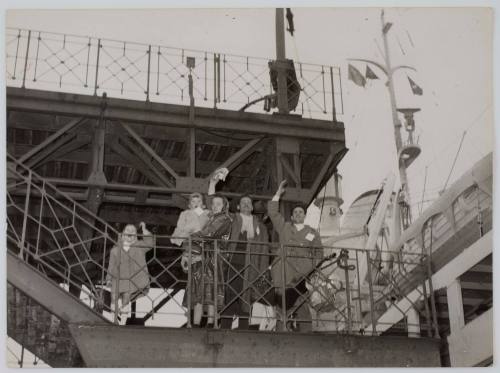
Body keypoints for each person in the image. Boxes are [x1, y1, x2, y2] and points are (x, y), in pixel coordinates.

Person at [267, 180, 323, 331]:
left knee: (301, 304)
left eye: (301, 212)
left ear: (304, 215)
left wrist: (311, 268)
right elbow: (273, 213)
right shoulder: (284, 227)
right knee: (281, 304)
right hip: (283, 273)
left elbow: (319, 253)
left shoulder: (312, 232)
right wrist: (278, 194)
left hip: (302, 274)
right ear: (291, 217)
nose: (298, 214)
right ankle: (280, 333)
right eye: (295, 212)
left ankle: (306, 334)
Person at [184, 169, 233, 328]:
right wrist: (213, 182)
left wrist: (190, 239)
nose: (215, 206)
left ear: (224, 206)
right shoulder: (213, 217)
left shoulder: (224, 219)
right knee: (200, 289)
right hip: (205, 256)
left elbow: (208, 234)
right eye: (213, 204)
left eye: (219, 204)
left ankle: (212, 322)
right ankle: (197, 322)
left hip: (215, 257)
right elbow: (211, 198)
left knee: (211, 288)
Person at [221, 194, 271, 330]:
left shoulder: (261, 227)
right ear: (238, 206)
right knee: (229, 296)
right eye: (243, 202)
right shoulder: (231, 220)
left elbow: (264, 251)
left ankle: (243, 330)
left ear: (252, 207)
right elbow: (217, 210)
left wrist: (263, 271)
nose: (246, 204)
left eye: (249, 202)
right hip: (231, 264)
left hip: (251, 266)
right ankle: (224, 329)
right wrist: (212, 186)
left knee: (246, 298)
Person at [106, 222, 154, 324]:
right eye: (128, 230)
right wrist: (108, 279)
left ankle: (123, 323)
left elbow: (150, 244)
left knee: (126, 300)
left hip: (130, 279)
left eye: (133, 231)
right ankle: (113, 320)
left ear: (136, 235)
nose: (130, 233)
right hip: (117, 278)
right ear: (122, 234)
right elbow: (111, 265)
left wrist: (144, 229)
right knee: (113, 297)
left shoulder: (139, 246)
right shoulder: (115, 250)